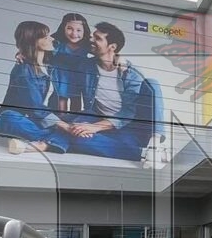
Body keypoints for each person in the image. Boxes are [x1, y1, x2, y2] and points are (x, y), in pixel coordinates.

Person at [0, 21, 80, 154]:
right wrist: (63, 125)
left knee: (76, 119)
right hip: (19, 119)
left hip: (35, 118)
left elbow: (73, 53)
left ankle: (30, 141)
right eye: (46, 37)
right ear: (33, 42)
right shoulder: (23, 71)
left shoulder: (48, 61)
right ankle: (50, 142)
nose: (52, 39)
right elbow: (35, 108)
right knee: (8, 117)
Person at [62, 22, 150, 161]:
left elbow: (128, 113)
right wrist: (25, 53)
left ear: (112, 47)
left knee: (129, 143)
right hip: (96, 116)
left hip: (126, 125)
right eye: (92, 37)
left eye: (97, 38)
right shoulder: (86, 66)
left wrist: (94, 128)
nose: (91, 40)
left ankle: (141, 153)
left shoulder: (131, 73)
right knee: (76, 135)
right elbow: (61, 52)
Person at [49, 13, 96, 119]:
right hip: (62, 75)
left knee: (76, 98)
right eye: (69, 29)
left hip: (79, 75)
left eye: (79, 30)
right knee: (62, 97)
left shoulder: (86, 45)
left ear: (84, 31)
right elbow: (38, 47)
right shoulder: (57, 43)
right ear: (63, 28)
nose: (74, 33)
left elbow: (101, 53)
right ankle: (61, 118)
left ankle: (75, 120)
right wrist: (22, 53)